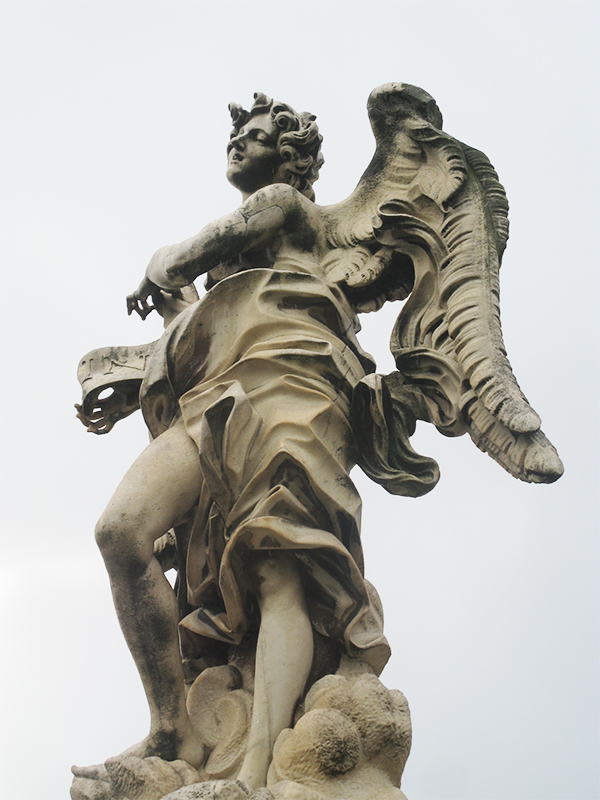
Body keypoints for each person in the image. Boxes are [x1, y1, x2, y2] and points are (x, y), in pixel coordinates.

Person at [76, 94, 390, 789]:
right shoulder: (239, 271)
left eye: (255, 136)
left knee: (279, 570)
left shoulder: (285, 206)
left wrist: (164, 263)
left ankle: (255, 772)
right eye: (235, 136)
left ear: (290, 157)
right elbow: (207, 323)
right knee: (121, 532)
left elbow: (189, 253)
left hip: (294, 384)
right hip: (215, 397)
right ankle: (173, 727)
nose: (239, 143)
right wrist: (152, 354)